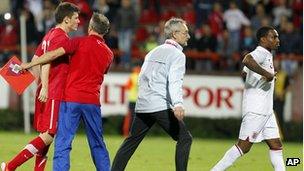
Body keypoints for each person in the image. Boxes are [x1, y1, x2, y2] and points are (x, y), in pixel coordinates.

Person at [20, 12, 113, 171]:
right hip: (92, 102)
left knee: (63, 143)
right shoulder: (109, 53)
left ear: (90, 27)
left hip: (71, 100)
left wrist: (29, 64)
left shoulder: (78, 42)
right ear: (104, 32)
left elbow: (53, 54)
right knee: (97, 143)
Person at [1, 3, 80, 171]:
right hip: (53, 91)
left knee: (45, 136)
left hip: (46, 90)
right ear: (66, 19)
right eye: (75, 18)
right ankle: (10, 166)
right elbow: (45, 60)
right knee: (49, 134)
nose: (79, 21)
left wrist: (32, 81)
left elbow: (37, 57)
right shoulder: (61, 37)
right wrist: (45, 87)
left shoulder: (50, 34)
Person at [111, 17, 193, 171]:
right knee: (185, 138)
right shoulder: (178, 55)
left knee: (131, 142)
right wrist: (178, 104)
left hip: (143, 104)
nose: (188, 36)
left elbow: (142, 77)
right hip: (159, 105)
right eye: (185, 33)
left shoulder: (153, 51)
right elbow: (175, 81)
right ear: (175, 34)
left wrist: (144, 98)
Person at [211, 26, 285, 171]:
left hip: (266, 111)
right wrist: (267, 74)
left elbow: (244, 74)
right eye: (274, 37)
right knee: (243, 147)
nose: (278, 40)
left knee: (276, 145)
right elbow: (246, 59)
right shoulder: (260, 52)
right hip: (256, 110)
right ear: (263, 39)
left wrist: (259, 78)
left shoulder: (267, 54)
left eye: (277, 36)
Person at [122, 63, 141, 136]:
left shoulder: (132, 77)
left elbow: (127, 87)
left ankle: (127, 133)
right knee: (139, 118)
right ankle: (137, 133)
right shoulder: (142, 76)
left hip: (132, 99)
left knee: (130, 117)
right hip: (140, 100)